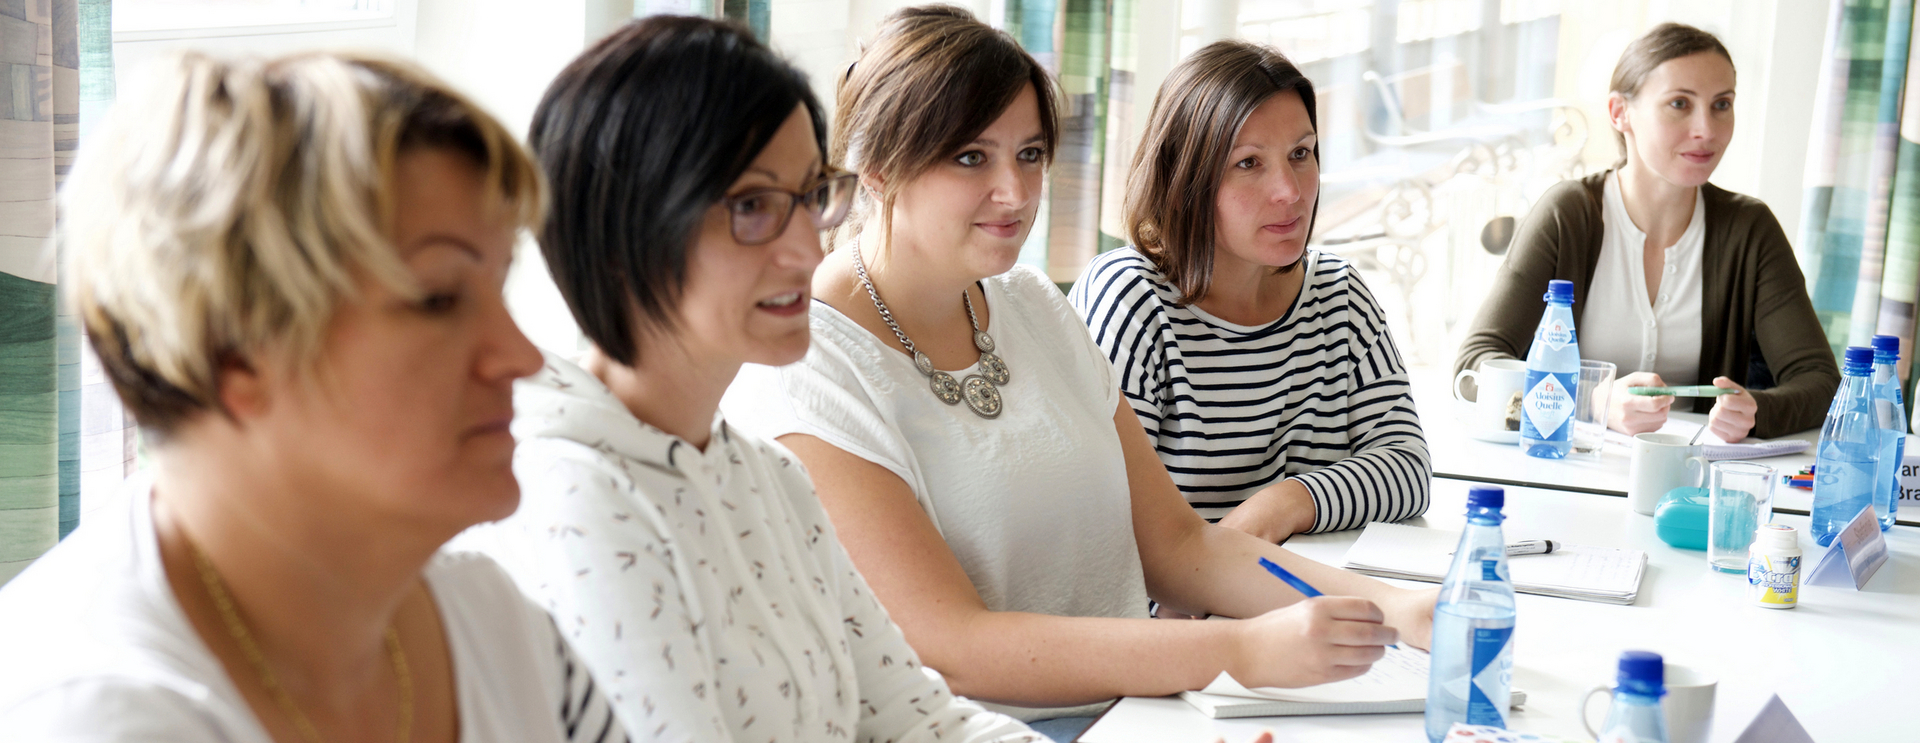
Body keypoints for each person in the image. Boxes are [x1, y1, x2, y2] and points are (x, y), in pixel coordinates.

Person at [721, 6, 1435, 737]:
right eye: (972, 157)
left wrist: (1399, 609)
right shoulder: (809, 362)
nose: (1017, 191)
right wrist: (1238, 648)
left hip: (1139, 715)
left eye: (1030, 154)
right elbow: (953, 647)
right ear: (878, 167)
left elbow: (1181, 547)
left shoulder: (1033, 308)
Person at [0, 52, 627, 742]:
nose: (522, 356)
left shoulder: (496, 623)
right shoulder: (94, 714)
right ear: (232, 351)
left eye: (498, 286)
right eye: (438, 298)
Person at [461, 17, 1041, 743]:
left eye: (806, 195)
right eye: (751, 207)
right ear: (626, 230)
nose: (805, 246)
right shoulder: (571, 492)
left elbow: (922, 717)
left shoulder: (769, 475)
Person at [1070, 40, 1430, 544]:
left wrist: (1284, 502)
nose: (1290, 190)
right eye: (1248, 163)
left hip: (1310, 600)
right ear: (1185, 178)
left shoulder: (1339, 296)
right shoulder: (1130, 298)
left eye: (1300, 154)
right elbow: (1104, 519)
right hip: (1185, 617)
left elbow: (1407, 468)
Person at [1455, 22, 1837, 441]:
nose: (1706, 130)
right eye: (1679, 103)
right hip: (1565, 464)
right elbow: (1475, 366)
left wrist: (1756, 411)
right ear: (1620, 112)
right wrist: (1591, 402)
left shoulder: (1750, 230)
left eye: (1721, 104)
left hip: (1688, 472)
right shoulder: (1568, 215)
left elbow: (1820, 382)